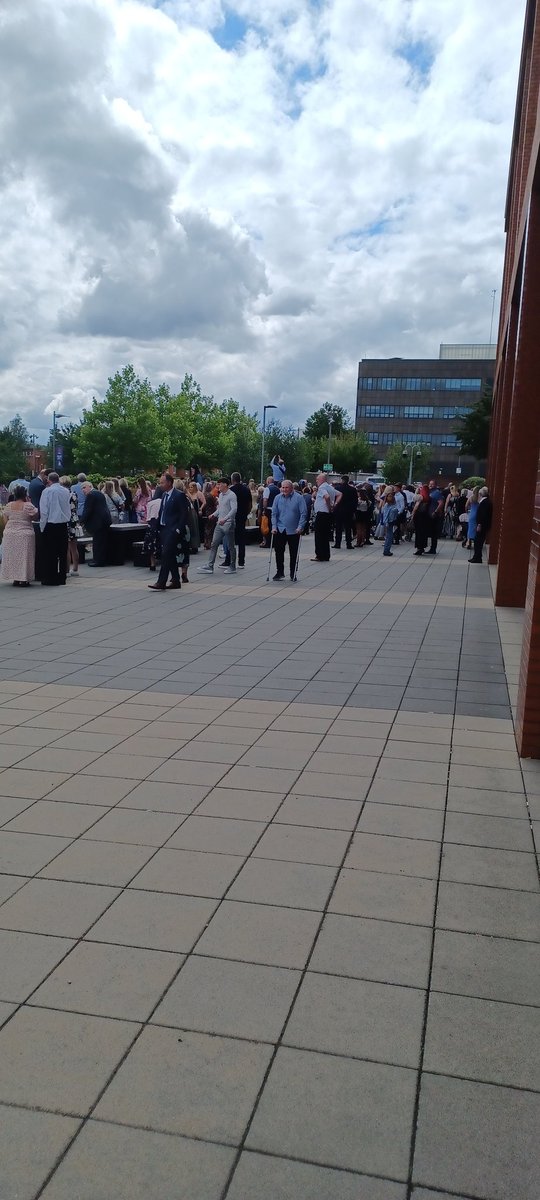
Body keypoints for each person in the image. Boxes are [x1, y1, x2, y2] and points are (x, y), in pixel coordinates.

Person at [148, 473, 190, 591]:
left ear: (169, 483)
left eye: (162, 482)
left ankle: (161, 581)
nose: (160, 485)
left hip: (173, 529)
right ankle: (176, 580)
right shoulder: (164, 495)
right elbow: (162, 512)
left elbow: (184, 514)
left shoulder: (179, 495)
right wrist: (156, 525)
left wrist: (178, 529)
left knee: (166, 554)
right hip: (164, 529)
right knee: (170, 555)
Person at [197, 477, 237, 574]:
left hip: (228, 523)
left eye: (220, 484)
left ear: (225, 484)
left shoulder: (232, 495)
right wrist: (214, 514)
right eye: (218, 484)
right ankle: (210, 565)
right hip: (220, 523)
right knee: (214, 543)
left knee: (231, 545)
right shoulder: (221, 495)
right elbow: (220, 508)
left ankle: (232, 566)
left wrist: (225, 519)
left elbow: (234, 509)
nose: (218, 486)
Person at [0, 486, 38, 586]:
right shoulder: (28, 505)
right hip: (25, 533)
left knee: (14, 556)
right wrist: (29, 502)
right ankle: (24, 579)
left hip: (10, 533)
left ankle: (15, 578)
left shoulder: (9, 505)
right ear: (25, 494)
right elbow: (35, 517)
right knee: (25, 557)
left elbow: (5, 520)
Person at [39, 471, 72, 585]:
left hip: (50, 524)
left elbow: (44, 511)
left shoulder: (47, 491)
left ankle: (51, 577)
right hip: (63, 524)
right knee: (62, 552)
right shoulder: (66, 491)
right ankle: (62, 577)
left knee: (50, 553)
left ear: (49, 480)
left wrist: (42, 527)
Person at [271, 480, 306, 580]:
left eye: (286, 487)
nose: (284, 489)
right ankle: (280, 572)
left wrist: (300, 527)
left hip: (294, 530)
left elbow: (303, 513)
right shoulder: (277, 498)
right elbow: (274, 514)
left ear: (291, 488)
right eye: (283, 487)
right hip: (280, 528)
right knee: (278, 551)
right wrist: (274, 527)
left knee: (294, 552)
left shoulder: (299, 498)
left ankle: (293, 572)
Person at [222, 472, 252, 570]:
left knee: (231, 540)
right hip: (242, 517)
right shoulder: (246, 489)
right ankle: (241, 562)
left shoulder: (231, 490)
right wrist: (246, 513)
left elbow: (226, 505)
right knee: (242, 540)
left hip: (232, 517)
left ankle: (228, 560)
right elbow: (250, 504)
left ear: (232, 480)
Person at [81, 481, 112, 566]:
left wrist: (81, 521)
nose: (83, 490)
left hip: (98, 522)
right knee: (102, 541)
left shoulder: (90, 495)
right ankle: (102, 559)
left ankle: (98, 561)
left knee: (97, 542)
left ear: (90, 486)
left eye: (84, 487)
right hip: (105, 520)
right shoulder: (99, 493)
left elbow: (88, 510)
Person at [311, 472, 340, 562]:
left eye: (317, 479)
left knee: (319, 535)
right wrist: (335, 504)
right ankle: (326, 555)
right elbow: (340, 494)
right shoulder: (330, 487)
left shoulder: (322, 488)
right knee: (325, 535)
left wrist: (329, 507)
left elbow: (326, 497)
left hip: (322, 513)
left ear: (321, 480)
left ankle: (319, 555)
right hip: (327, 515)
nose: (316, 481)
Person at [60, 475, 80, 577]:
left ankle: (66, 569)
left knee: (66, 547)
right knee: (74, 546)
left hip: (67, 520)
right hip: (74, 520)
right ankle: (75, 568)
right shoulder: (74, 493)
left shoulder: (63, 494)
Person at [469, 486, 493, 563]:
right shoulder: (486, 501)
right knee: (478, 541)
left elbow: (483, 515)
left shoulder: (484, 502)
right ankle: (476, 557)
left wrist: (479, 524)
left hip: (482, 525)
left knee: (478, 542)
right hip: (483, 525)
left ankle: (477, 557)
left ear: (480, 494)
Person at [333, 475, 357, 549]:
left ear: (342, 480)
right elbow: (355, 501)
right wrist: (353, 511)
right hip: (348, 511)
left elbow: (335, 499)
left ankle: (337, 543)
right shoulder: (352, 489)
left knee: (338, 527)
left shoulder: (337, 488)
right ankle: (348, 544)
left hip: (339, 510)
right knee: (348, 528)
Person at [260, 476, 280, 547]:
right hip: (276, 509)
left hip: (269, 509)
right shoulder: (278, 489)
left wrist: (264, 508)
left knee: (267, 526)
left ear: (268, 481)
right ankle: (274, 542)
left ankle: (268, 542)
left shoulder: (267, 489)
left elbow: (265, 500)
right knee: (274, 525)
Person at [380, 487, 400, 556]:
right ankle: (386, 550)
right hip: (389, 522)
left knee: (389, 536)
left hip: (391, 521)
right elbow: (386, 514)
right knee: (389, 536)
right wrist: (386, 522)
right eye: (389, 496)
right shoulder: (387, 505)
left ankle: (387, 550)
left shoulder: (391, 504)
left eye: (391, 496)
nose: (390, 497)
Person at [412, 485, 431, 555]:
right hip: (425, 517)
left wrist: (412, 514)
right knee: (423, 533)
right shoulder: (429, 498)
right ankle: (422, 547)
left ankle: (419, 548)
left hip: (419, 516)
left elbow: (416, 506)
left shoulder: (421, 497)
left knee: (418, 533)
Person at [427, 479, 444, 554]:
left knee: (434, 533)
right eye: (430, 484)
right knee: (431, 532)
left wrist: (436, 512)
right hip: (430, 515)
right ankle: (431, 548)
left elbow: (441, 503)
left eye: (432, 484)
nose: (430, 485)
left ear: (435, 485)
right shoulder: (430, 492)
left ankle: (433, 548)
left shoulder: (437, 493)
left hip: (434, 515)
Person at [465, 486, 480, 551]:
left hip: (471, 514)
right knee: (476, 528)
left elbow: (466, 506)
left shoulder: (471, 497)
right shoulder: (479, 498)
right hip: (478, 514)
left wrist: (467, 511)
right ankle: (476, 541)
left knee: (470, 528)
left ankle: (469, 542)